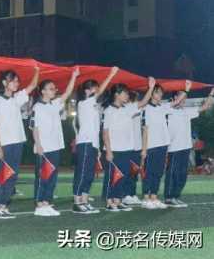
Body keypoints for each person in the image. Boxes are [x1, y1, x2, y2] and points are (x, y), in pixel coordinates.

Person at [0, 66, 39, 219]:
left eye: (17, 81)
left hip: (17, 143)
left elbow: (31, 86)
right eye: (13, 81)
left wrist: (37, 70)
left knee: (12, 175)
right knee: (2, 175)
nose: (17, 84)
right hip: (5, 144)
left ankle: (4, 205)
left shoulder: (16, 99)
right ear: (5, 82)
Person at [30, 67, 79, 217]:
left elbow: (66, 93)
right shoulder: (37, 107)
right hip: (44, 147)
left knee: (52, 176)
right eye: (51, 88)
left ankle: (47, 202)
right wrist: (38, 144)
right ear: (43, 91)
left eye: (54, 88)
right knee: (43, 176)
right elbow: (34, 127)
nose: (54, 90)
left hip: (56, 146)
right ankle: (39, 204)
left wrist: (74, 76)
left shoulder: (55, 104)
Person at [102, 79, 155, 212]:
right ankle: (110, 202)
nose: (127, 96)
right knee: (112, 177)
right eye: (124, 93)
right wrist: (108, 151)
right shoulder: (109, 110)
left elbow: (143, 102)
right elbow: (105, 132)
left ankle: (118, 201)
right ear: (116, 95)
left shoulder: (128, 108)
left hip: (127, 149)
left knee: (124, 175)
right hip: (114, 150)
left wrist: (151, 88)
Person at [72, 67, 118, 214]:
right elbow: (100, 93)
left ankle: (84, 200)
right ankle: (77, 202)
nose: (97, 91)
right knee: (83, 172)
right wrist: (111, 75)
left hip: (92, 144)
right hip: (84, 143)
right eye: (95, 88)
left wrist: (98, 147)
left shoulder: (94, 106)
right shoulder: (83, 103)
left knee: (90, 174)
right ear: (87, 91)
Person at [140, 81, 190, 209]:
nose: (160, 94)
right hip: (151, 146)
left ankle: (154, 197)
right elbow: (145, 129)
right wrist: (144, 149)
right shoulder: (146, 109)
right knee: (149, 173)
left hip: (163, 145)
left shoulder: (162, 107)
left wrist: (186, 90)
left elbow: (177, 101)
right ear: (151, 94)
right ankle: (146, 198)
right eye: (157, 92)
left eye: (161, 92)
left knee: (158, 173)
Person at [165, 88, 214, 207]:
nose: (184, 100)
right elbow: (177, 101)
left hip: (186, 147)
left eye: (185, 98)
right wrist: (185, 90)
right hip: (174, 148)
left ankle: (176, 196)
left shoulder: (186, 111)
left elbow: (205, 106)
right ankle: (169, 197)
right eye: (181, 97)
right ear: (174, 98)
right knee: (173, 173)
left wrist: (211, 94)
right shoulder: (168, 109)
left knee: (182, 173)